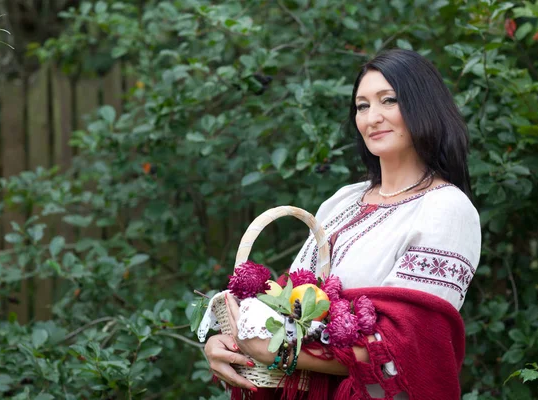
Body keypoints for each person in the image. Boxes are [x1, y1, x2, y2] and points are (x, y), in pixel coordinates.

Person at [204, 48, 481, 400]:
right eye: (362, 106)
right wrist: (228, 345)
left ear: (422, 105)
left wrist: (281, 351)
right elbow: (289, 306)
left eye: (388, 100)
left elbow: (404, 345)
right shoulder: (343, 200)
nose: (372, 117)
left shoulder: (446, 208)